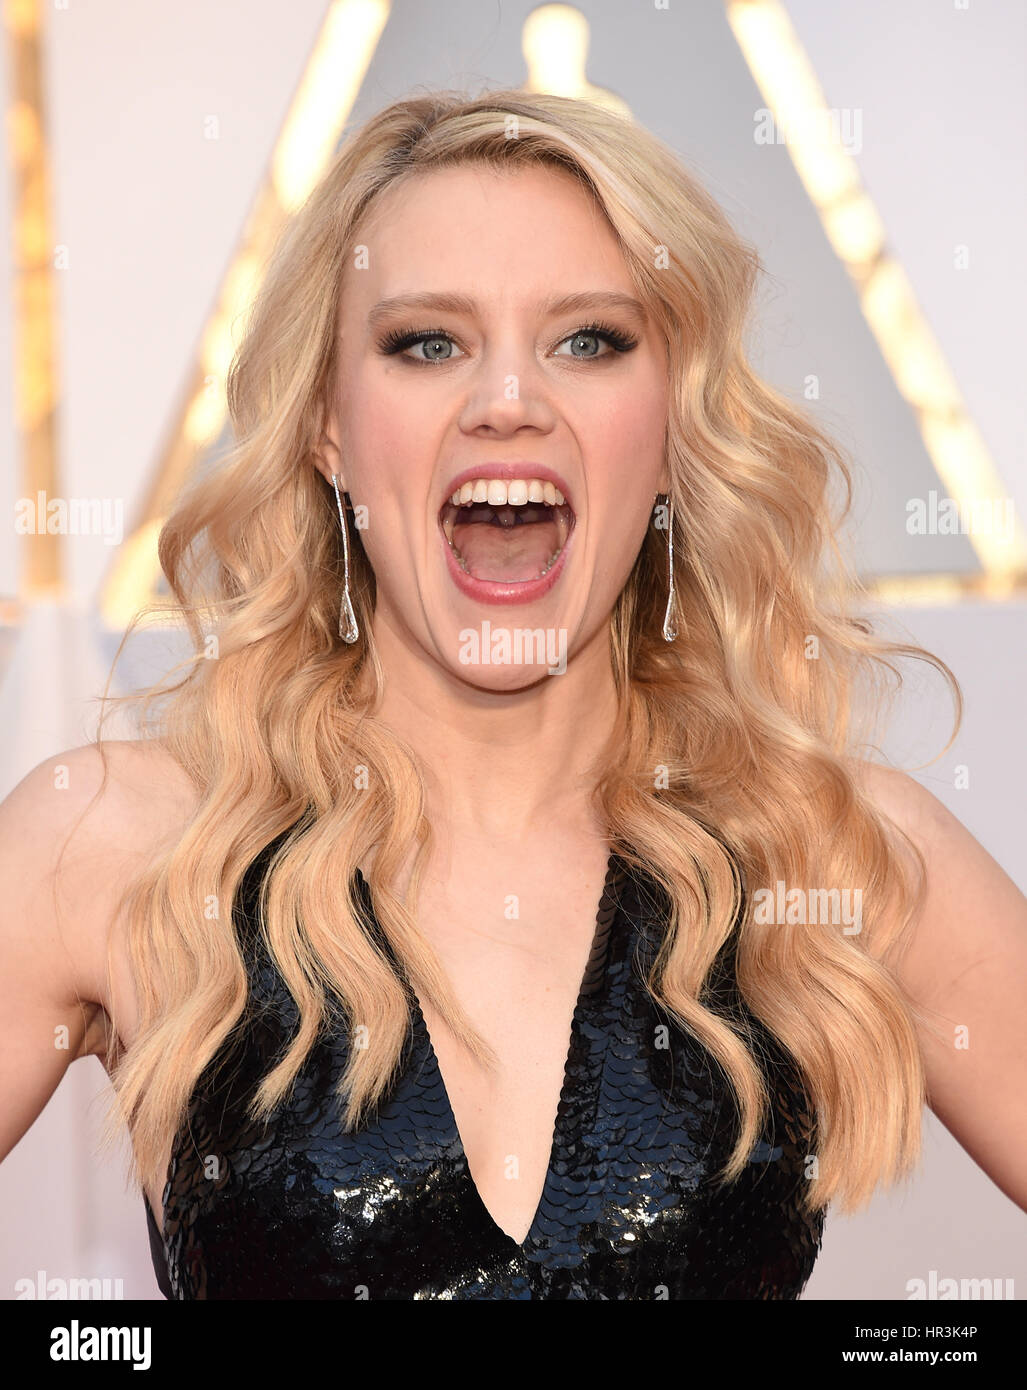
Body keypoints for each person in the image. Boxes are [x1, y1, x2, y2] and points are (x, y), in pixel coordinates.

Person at [2, 88, 1025, 1301]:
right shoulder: (115, 842)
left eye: (589, 339)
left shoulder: (836, 850)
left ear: (671, 426)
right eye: (425, 341)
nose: (506, 398)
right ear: (328, 424)